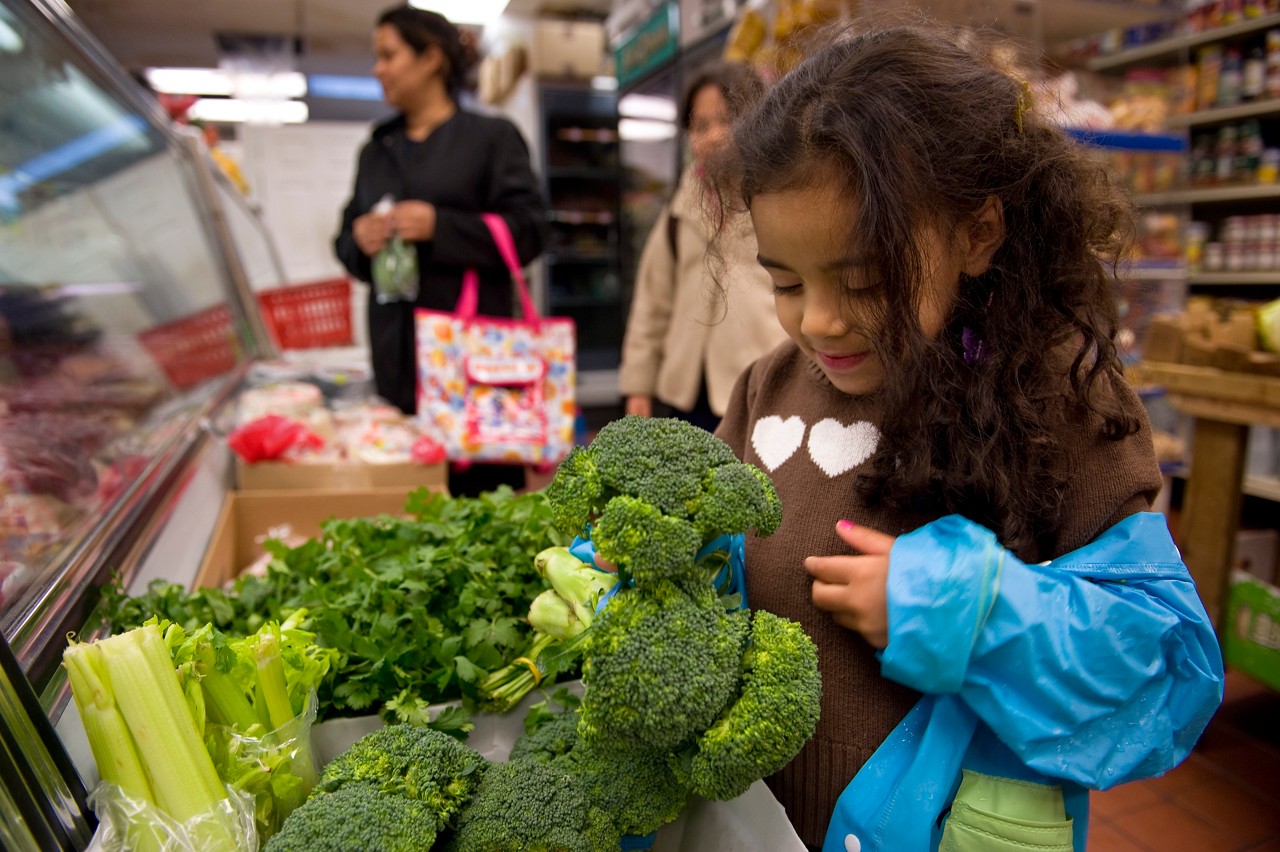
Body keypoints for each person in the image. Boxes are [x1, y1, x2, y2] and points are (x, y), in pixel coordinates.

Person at [710, 23, 1224, 852]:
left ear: (977, 233)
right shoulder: (769, 386)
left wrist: (966, 615)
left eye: (867, 280)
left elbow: (1164, 679)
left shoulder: (1058, 400)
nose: (820, 320)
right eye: (786, 281)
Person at [334, 5, 547, 496]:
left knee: (481, 511)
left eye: (388, 55)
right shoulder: (376, 148)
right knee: (406, 504)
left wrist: (441, 227)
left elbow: (531, 231)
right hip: (397, 361)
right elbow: (343, 241)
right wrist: (359, 241)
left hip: (473, 366)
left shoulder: (491, 139)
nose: (377, 69)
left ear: (431, 58)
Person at [618, 62, 787, 432]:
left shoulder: (779, 199)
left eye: (726, 120)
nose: (712, 136)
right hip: (687, 391)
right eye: (700, 126)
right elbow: (652, 302)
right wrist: (638, 385)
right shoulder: (682, 207)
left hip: (762, 387)